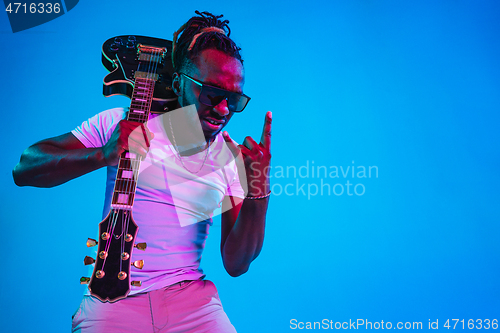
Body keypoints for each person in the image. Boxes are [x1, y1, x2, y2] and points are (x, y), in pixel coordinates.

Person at [12, 11, 271, 333]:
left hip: (192, 303)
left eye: (233, 99)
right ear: (179, 83)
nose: (222, 109)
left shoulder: (230, 158)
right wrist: (101, 155)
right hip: (110, 304)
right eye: (212, 93)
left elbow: (236, 263)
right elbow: (24, 168)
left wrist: (257, 190)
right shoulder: (123, 124)